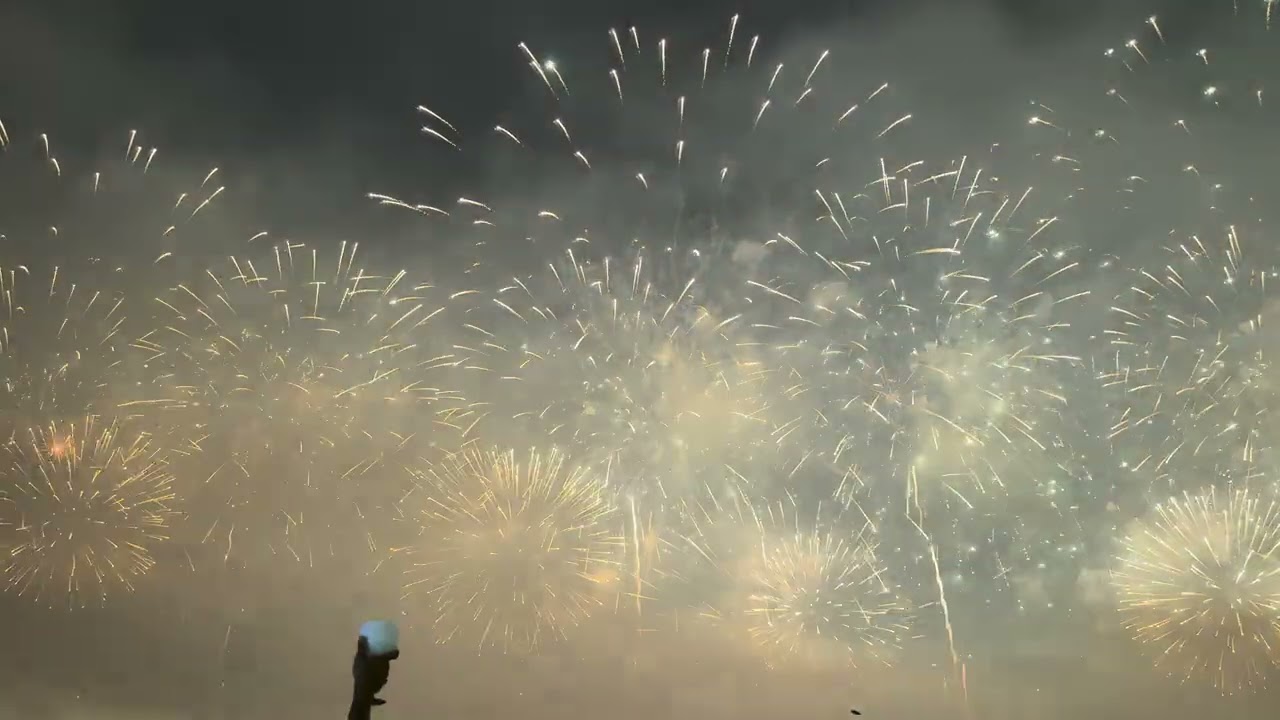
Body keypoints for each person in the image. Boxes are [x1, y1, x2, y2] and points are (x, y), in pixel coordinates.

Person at [348, 634, 399, 720]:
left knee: (361, 704)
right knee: (360, 705)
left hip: (366, 690)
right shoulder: (366, 660)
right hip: (365, 689)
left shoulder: (363, 659)